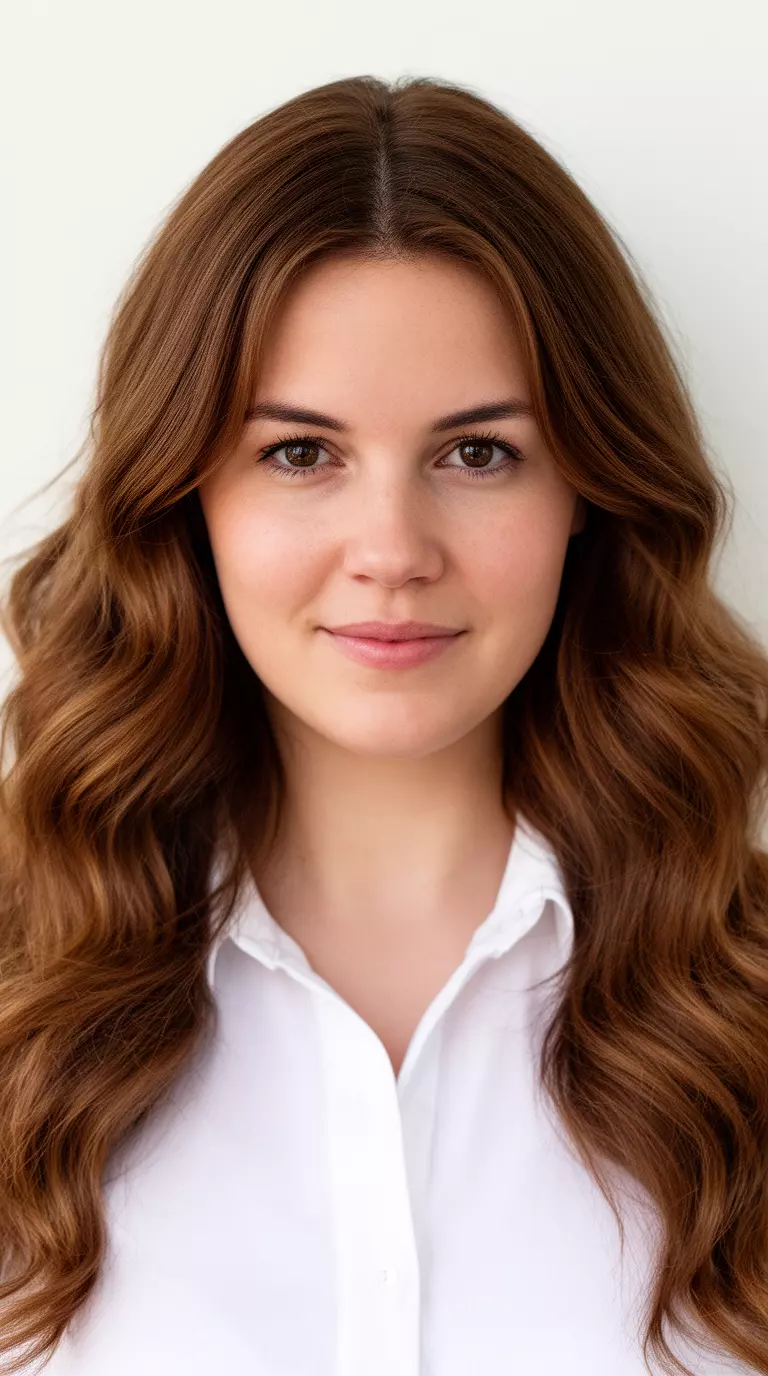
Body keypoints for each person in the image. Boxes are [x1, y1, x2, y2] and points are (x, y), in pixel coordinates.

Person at [0, 74, 766, 1376]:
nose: (393, 552)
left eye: (477, 454)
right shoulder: (24, 1009)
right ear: (187, 496)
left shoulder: (741, 1008)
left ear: (589, 488)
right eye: (301, 454)